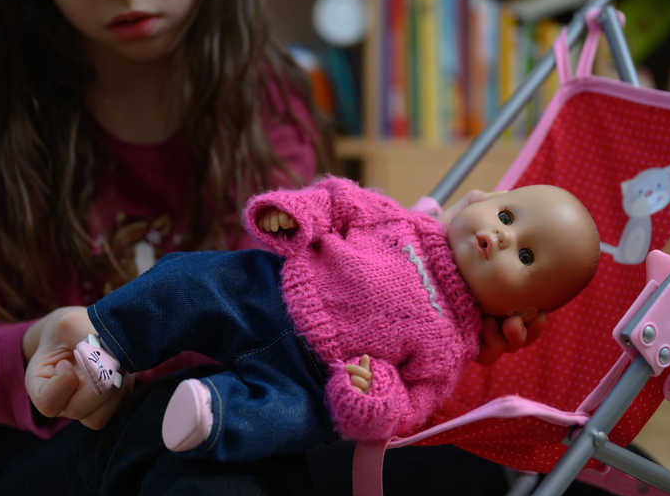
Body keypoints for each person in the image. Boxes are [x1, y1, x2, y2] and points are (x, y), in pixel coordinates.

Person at [0, 0, 542, 496]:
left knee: (501, 450)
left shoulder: (272, 93)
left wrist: (431, 299)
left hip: (240, 404)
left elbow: (302, 329)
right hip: (29, 462)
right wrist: (37, 343)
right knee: (204, 440)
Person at [53, 179, 599, 462]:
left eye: (525, 256)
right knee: (189, 280)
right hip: (268, 291)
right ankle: (113, 342)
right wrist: (298, 213)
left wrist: (373, 393)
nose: (501, 236)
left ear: (522, 313)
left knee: (296, 420)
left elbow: (412, 403)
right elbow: (340, 202)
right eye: (506, 215)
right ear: (486, 199)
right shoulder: (403, 222)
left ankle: (209, 417)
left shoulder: (452, 348)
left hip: (309, 377)